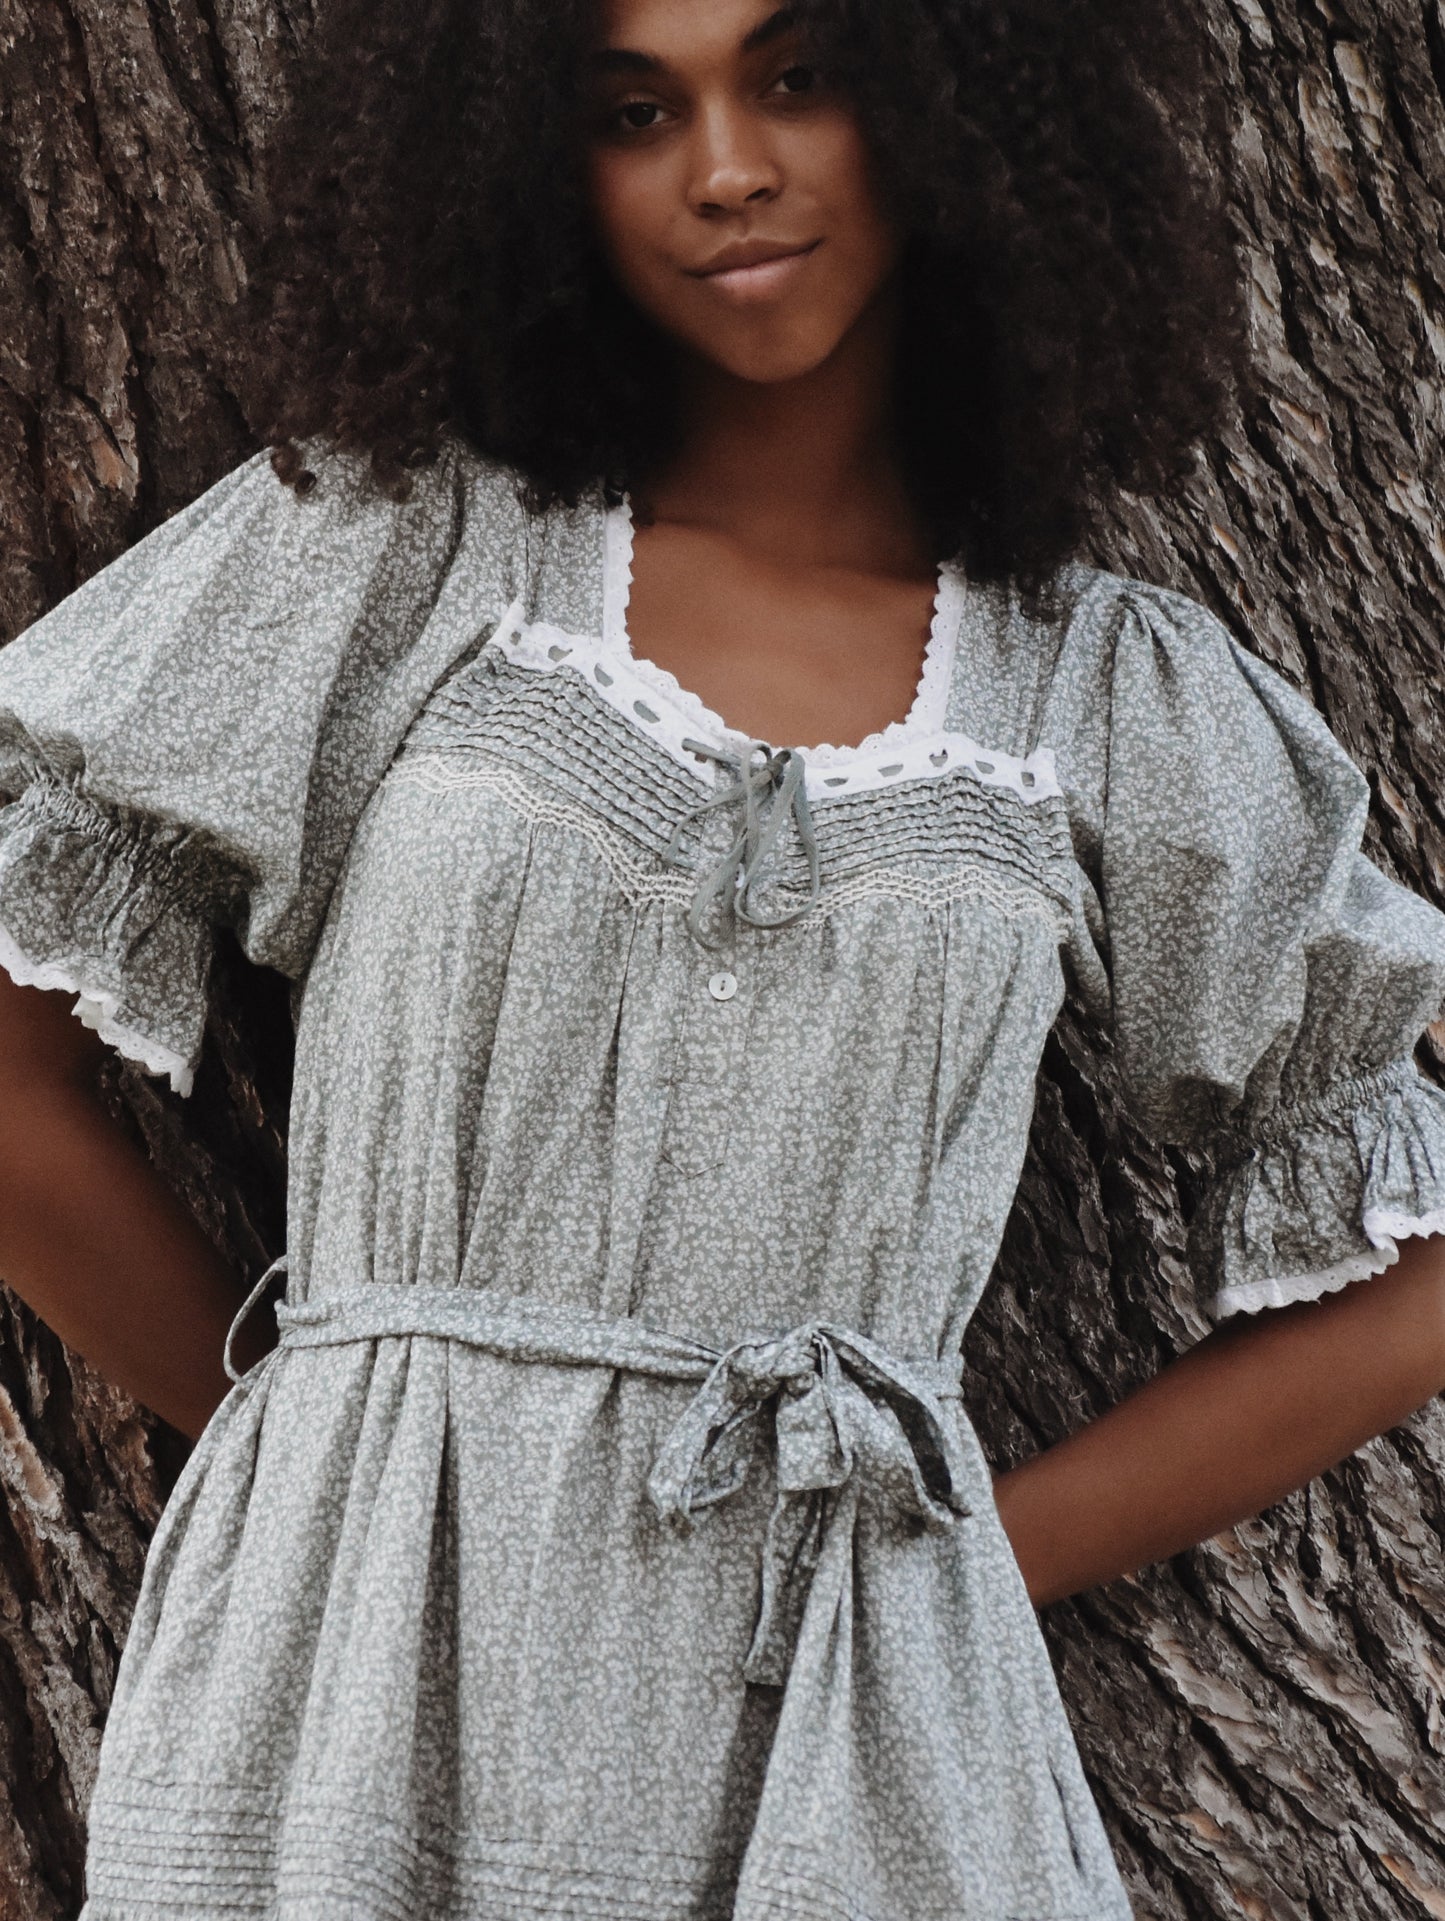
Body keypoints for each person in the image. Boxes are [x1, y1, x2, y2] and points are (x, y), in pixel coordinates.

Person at [1, 0, 1444, 1914]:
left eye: (796, 75)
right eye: (629, 109)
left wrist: (963, 1559)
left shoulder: (1113, 696)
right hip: (353, 1681)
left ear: (957, 108)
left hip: (849, 1715)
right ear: (532, 174)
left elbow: (1411, 1266)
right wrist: (309, 1423)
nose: (727, 166)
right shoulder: (397, 551)